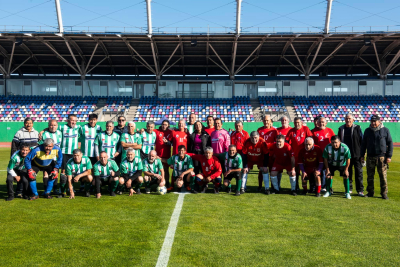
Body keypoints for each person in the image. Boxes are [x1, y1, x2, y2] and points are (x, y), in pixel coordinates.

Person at [360, 115, 393, 200]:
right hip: (370, 157)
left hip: (381, 157)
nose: (373, 123)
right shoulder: (367, 131)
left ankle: (384, 193)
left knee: (383, 176)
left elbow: (390, 143)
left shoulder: (385, 130)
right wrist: (362, 155)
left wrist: (389, 156)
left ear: (379, 121)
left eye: (375, 121)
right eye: (372, 121)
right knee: (370, 176)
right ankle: (370, 192)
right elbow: (363, 144)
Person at [338, 113, 364, 196]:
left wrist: (362, 154)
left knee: (358, 173)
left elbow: (362, 141)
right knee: (347, 172)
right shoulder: (341, 129)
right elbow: (338, 142)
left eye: (350, 118)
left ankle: (360, 190)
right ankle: (349, 189)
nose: (348, 120)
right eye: (346, 118)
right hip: (346, 155)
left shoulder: (357, 128)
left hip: (356, 155)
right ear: (344, 120)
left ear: (353, 120)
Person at [285, 117, 313, 192]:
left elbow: (310, 139)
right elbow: (286, 141)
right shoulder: (291, 131)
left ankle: (311, 187)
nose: (297, 124)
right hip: (295, 155)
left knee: (308, 171)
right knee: (296, 171)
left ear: (301, 122)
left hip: (305, 154)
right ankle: (296, 186)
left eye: (298, 122)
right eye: (295, 123)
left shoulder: (306, 129)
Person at [312, 116, 335, 192]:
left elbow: (334, 142)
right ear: (317, 123)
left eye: (322, 122)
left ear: (326, 123)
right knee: (318, 171)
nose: (321, 123)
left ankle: (328, 187)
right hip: (317, 155)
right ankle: (317, 186)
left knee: (327, 171)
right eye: (319, 122)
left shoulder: (330, 131)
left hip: (328, 155)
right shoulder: (313, 132)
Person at [257, 115, 278, 191]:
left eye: (267, 120)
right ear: (262, 121)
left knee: (272, 171)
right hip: (262, 154)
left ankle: (272, 186)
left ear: (270, 121)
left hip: (271, 154)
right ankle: (260, 186)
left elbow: (277, 143)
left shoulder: (274, 131)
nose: (266, 122)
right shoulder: (259, 130)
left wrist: (276, 153)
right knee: (261, 171)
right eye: (264, 120)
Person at [153, 120, 173, 188]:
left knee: (166, 170)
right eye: (163, 124)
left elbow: (172, 142)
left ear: (168, 125)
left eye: (166, 124)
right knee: (158, 170)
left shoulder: (170, 132)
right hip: (158, 155)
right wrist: (142, 129)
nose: (164, 126)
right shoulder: (157, 131)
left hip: (166, 155)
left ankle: (167, 183)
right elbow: (149, 129)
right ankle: (157, 182)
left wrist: (168, 142)